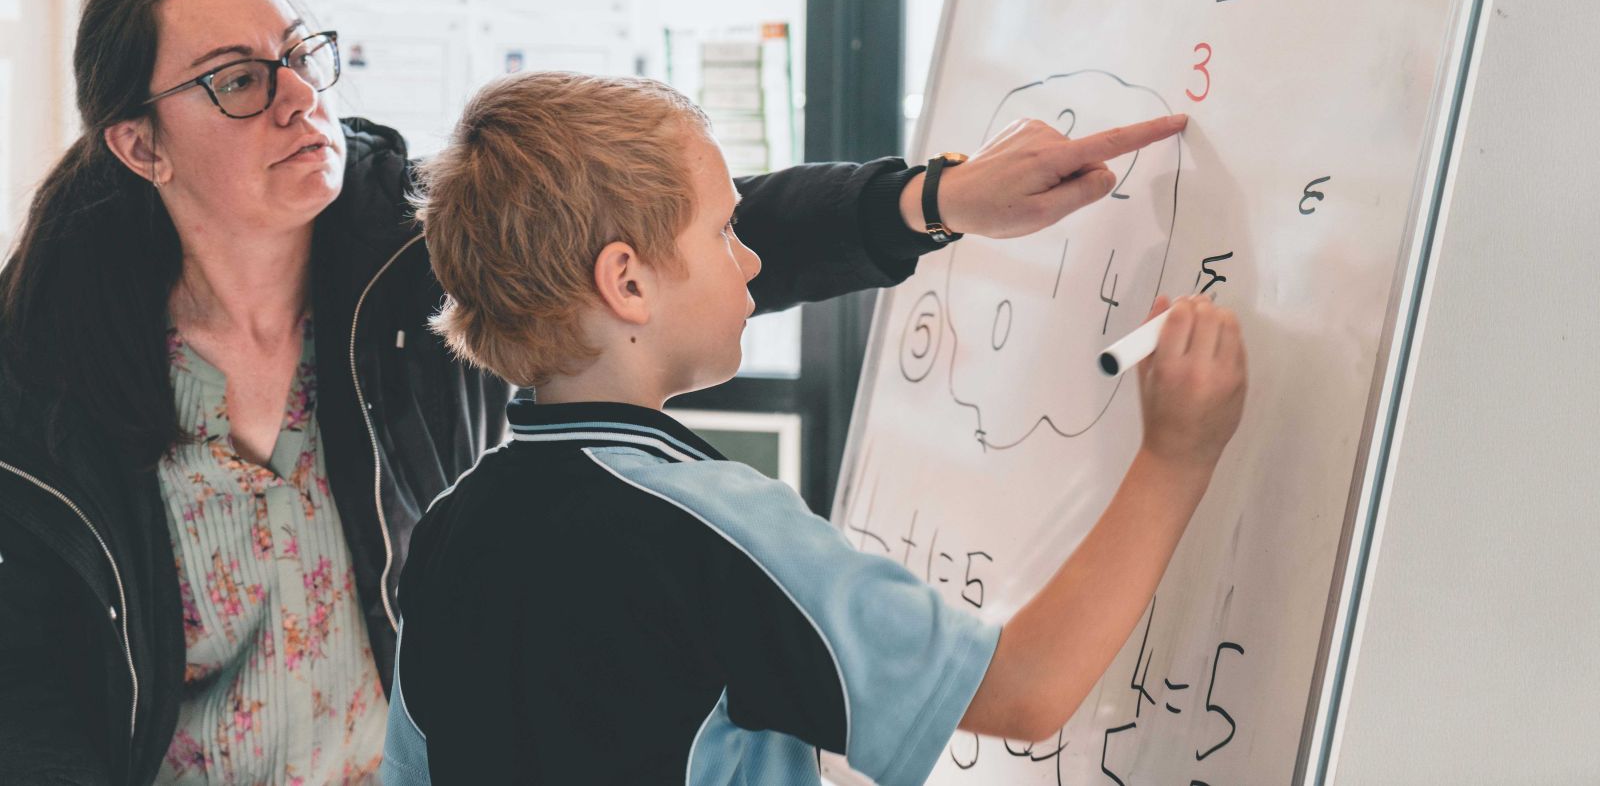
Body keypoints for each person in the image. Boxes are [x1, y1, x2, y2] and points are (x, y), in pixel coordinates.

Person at [0, 0, 1186, 784]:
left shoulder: (401, 280)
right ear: (138, 141)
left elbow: (660, 237)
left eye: (299, 54)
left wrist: (935, 198)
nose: (300, 97)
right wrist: (1178, 449)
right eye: (240, 80)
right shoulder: (49, 376)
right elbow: (37, 683)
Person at [382, 73, 1246, 784]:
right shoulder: (715, 532)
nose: (753, 258)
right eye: (725, 231)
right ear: (628, 283)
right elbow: (1024, 691)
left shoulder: (451, 528)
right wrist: (1176, 454)